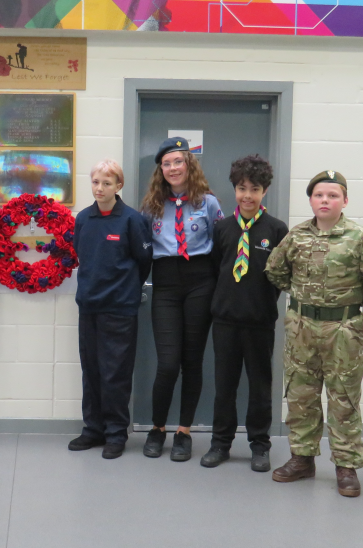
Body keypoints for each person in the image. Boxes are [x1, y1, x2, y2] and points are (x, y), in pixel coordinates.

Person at [265, 170, 363, 497]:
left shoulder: (357, 237)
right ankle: (302, 459)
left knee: (344, 397)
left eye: (333, 195)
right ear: (311, 200)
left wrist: (356, 299)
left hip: (343, 328)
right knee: (301, 393)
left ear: (345, 200)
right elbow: (274, 270)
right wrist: (299, 295)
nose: (325, 200)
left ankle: (346, 466)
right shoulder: (295, 236)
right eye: (319, 195)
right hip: (301, 327)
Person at [201, 155, 287, 472]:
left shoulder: (276, 229)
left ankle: (260, 446)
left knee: (260, 387)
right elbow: (214, 272)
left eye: (254, 189)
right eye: (241, 188)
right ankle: (220, 443)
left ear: (265, 191)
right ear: (234, 189)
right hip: (224, 321)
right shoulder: (222, 228)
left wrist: (262, 303)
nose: (247, 195)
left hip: (260, 322)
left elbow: (281, 277)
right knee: (224, 386)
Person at [140, 137, 222, 462]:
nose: (173, 168)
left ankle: (183, 432)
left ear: (189, 165)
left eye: (178, 161)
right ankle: (157, 428)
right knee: (168, 363)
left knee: (192, 361)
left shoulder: (209, 203)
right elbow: (142, 248)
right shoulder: (151, 206)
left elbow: (221, 245)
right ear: (161, 169)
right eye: (167, 163)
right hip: (166, 283)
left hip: (200, 281)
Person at [67, 160, 152, 459]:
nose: (99, 188)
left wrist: (125, 290)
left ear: (119, 186)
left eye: (106, 183)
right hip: (88, 306)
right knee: (91, 371)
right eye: (95, 182)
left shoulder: (132, 220)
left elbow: (143, 262)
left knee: (114, 373)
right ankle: (93, 429)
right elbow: (82, 254)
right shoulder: (83, 219)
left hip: (119, 309)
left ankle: (116, 433)